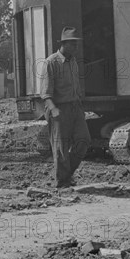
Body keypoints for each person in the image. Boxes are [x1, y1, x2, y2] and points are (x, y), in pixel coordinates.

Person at [40, 26, 91, 188]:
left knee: (84, 141)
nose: (76, 48)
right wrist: (54, 110)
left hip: (75, 108)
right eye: (73, 44)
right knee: (61, 147)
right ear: (64, 44)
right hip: (58, 109)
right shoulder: (51, 62)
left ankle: (65, 174)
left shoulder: (73, 61)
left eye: (76, 44)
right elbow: (45, 93)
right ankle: (63, 183)